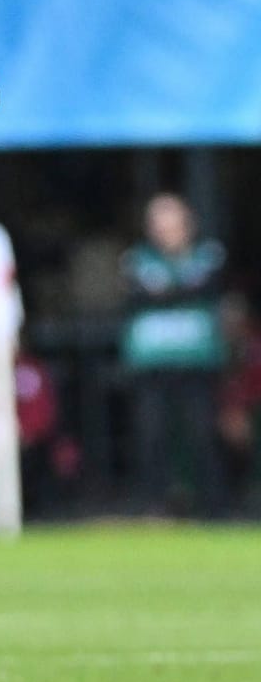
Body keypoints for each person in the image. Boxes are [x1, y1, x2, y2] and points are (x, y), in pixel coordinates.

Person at [121, 193, 229, 516]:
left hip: (196, 362)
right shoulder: (139, 258)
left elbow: (200, 286)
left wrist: (169, 289)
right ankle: (155, 506)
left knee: (202, 433)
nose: (166, 230)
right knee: (151, 435)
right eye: (158, 223)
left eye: (172, 222)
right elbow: (142, 291)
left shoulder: (208, 254)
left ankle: (212, 506)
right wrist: (174, 288)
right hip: (152, 365)